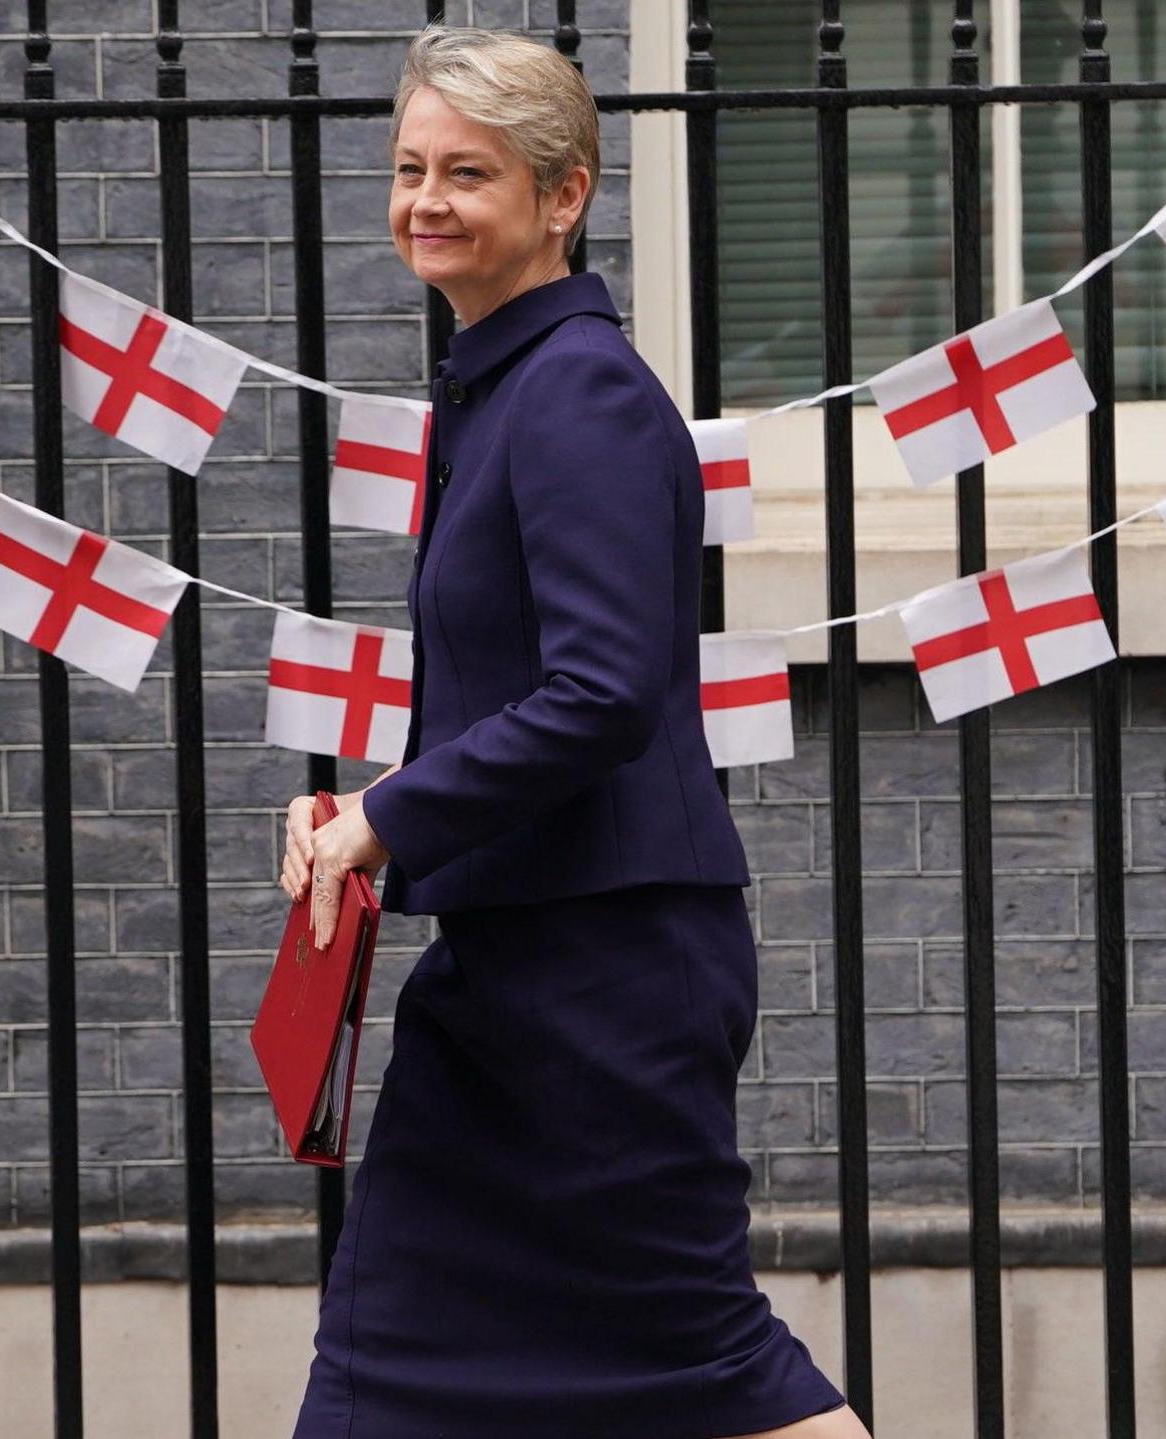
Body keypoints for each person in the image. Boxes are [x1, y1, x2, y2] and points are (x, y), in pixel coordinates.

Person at [276, 24, 869, 1439]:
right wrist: (378, 807)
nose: (425, 200)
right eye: (411, 167)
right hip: (518, 974)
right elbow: (523, 689)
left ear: (564, 195)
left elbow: (605, 693)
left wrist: (390, 819)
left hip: (606, 982)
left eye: (467, 172)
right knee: (387, 1363)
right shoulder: (501, 387)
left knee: (706, 1359)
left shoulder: (580, 392)